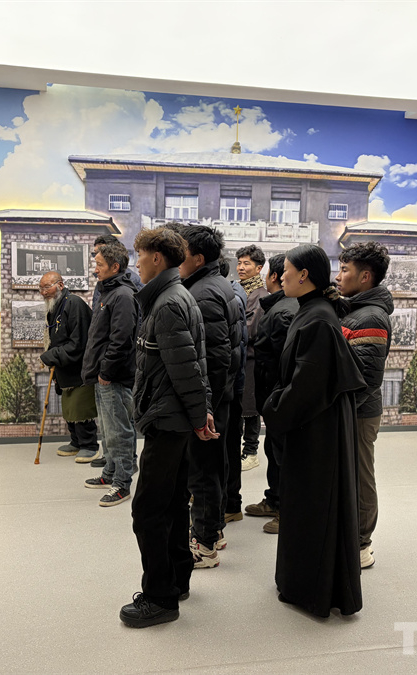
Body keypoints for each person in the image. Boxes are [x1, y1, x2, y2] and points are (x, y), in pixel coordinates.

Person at [263, 244, 367, 618]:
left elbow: (307, 384)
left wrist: (272, 407)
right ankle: (303, 583)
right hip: (314, 425)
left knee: (313, 506)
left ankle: (311, 589)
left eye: (287, 270)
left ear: (304, 275)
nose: (280, 276)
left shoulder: (318, 318)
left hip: (317, 430)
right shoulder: (311, 311)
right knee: (307, 504)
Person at [119, 227, 215, 629]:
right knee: (173, 502)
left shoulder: (168, 304)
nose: (136, 263)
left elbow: (187, 370)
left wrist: (198, 416)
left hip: (167, 420)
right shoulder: (173, 297)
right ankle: (176, 580)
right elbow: (191, 363)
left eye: (139, 255)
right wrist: (201, 412)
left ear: (157, 257)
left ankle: (159, 597)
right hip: (172, 417)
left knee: (147, 510)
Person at [178, 226, 241, 569]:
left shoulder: (202, 294)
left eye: (183, 253)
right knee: (214, 466)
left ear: (199, 258)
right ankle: (213, 531)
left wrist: (202, 409)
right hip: (220, 396)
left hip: (210, 400)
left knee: (202, 470)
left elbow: (214, 358)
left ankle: (203, 544)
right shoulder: (219, 285)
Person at [335, 242, 393, 569]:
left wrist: (340, 412)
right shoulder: (355, 309)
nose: (338, 276)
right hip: (351, 411)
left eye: (345, 270)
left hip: (359, 413)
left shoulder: (370, 317)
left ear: (365, 276)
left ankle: (361, 544)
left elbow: (368, 378)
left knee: (359, 476)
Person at [81, 242, 140, 507]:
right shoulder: (108, 292)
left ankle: (122, 483)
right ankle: (110, 473)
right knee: (107, 429)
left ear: (115, 267)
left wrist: (106, 370)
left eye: (100, 265)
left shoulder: (123, 295)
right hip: (102, 375)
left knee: (119, 431)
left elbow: (121, 340)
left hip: (114, 376)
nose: (96, 269)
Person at [244, 253, 297, 535]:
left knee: (283, 455)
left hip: (279, 397)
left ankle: (285, 511)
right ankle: (274, 499)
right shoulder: (277, 306)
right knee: (273, 450)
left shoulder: (284, 311)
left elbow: (285, 363)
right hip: (271, 397)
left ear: (273, 276)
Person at [38, 271, 98, 463]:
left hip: (80, 369)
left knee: (81, 408)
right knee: (69, 409)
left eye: (47, 287)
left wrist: (51, 356)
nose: (43, 292)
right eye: (41, 289)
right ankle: (76, 442)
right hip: (65, 369)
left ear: (61, 285)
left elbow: (79, 343)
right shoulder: (55, 307)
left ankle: (89, 445)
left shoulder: (74, 303)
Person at [235, 245, 268, 471]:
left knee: (250, 409)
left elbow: (250, 328)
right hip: (239, 358)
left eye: (247, 263)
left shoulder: (260, 295)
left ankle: (251, 451)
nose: (241, 267)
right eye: (239, 263)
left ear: (259, 268)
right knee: (240, 406)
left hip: (251, 358)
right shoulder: (239, 290)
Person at [220, 256, 247, 526]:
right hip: (230, 385)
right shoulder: (234, 293)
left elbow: (231, 350)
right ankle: (229, 502)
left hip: (227, 387)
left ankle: (230, 503)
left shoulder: (231, 298)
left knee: (227, 448)